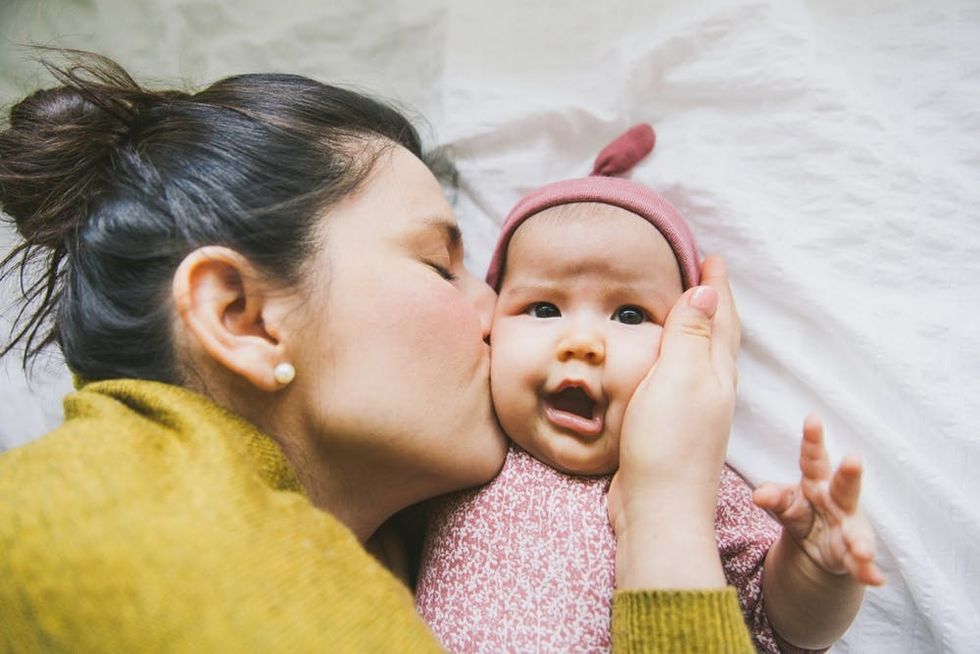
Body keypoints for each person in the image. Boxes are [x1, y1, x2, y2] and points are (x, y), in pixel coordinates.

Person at [0, 52, 755, 652]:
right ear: (242, 317)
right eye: (439, 265)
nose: (497, 318)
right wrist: (664, 510)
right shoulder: (164, 543)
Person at [416, 125, 884, 653]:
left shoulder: (693, 473)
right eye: (544, 309)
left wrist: (819, 571)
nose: (583, 341)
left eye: (631, 314)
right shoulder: (466, 445)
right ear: (491, 326)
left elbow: (781, 626)